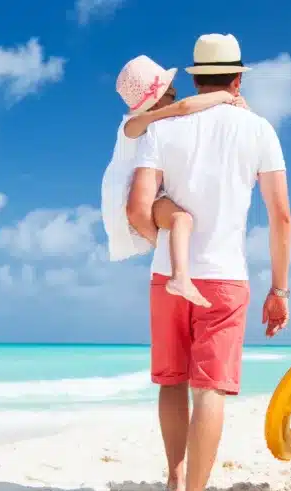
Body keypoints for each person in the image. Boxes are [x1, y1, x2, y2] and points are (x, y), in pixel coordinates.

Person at [127, 33, 291, 491]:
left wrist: (162, 241)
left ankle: (174, 481)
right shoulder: (259, 129)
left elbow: (139, 206)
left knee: (171, 382)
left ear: (195, 78)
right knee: (210, 390)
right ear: (238, 79)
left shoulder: (161, 128)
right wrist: (279, 289)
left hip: (167, 275)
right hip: (224, 278)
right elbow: (280, 216)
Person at [101, 54, 247, 307]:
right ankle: (180, 277)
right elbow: (183, 108)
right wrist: (225, 97)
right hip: (126, 194)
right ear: (154, 101)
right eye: (171, 93)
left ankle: (179, 272)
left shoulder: (155, 124)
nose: (176, 98)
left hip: (145, 189)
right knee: (182, 219)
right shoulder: (132, 126)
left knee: (179, 222)